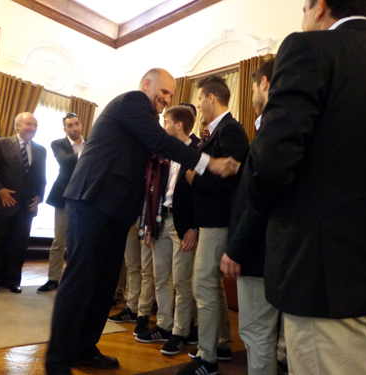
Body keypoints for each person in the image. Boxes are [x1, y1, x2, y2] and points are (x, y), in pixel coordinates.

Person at [244, 0, 366, 374]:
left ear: (320, 6)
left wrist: (262, 202)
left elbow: (270, 164)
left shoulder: (308, 48)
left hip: (323, 278)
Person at [45, 68, 239, 375]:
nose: (166, 98)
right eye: (163, 91)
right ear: (146, 85)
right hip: (93, 199)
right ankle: (56, 360)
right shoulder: (132, 102)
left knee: (103, 284)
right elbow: (159, 141)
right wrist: (209, 162)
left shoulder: (142, 115)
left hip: (116, 209)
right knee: (81, 281)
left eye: (172, 95)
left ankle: (83, 348)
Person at [221, 58, 288, 375]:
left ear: (263, 83)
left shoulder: (274, 130)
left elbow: (261, 196)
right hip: (276, 253)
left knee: (257, 334)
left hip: (259, 252)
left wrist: (237, 248)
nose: (250, 96)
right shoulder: (287, 127)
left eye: (250, 87)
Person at [179, 75, 249, 375]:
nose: (198, 107)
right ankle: (220, 343)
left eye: (199, 100)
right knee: (212, 286)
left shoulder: (230, 128)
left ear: (210, 98)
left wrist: (195, 177)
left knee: (203, 285)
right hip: (211, 219)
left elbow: (234, 175)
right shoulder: (216, 132)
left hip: (219, 219)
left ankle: (207, 360)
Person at [135, 106, 200, 355]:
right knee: (161, 276)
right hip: (162, 219)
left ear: (178, 125)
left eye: (166, 122)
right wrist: (150, 222)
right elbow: (155, 189)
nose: (163, 127)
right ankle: (164, 324)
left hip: (184, 225)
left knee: (183, 282)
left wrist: (194, 227)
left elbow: (200, 195)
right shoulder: (164, 151)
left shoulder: (198, 150)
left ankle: (181, 331)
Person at [0, 112, 46, 295]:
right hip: (3, 204)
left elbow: (42, 177)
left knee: (19, 245)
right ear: (17, 125)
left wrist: (39, 197)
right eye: (29, 124)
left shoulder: (40, 150)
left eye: (35, 125)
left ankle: (12, 281)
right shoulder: (1, 144)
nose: (32, 128)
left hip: (26, 207)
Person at [37, 113, 86, 293]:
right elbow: (65, 161)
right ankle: (53, 279)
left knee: (81, 241)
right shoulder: (58, 144)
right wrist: (86, 151)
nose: (75, 128)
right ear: (65, 129)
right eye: (70, 125)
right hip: (64, 197)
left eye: (77, 124)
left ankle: (74, 280)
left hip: (86, 198)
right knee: (59, 240)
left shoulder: (89, 142)